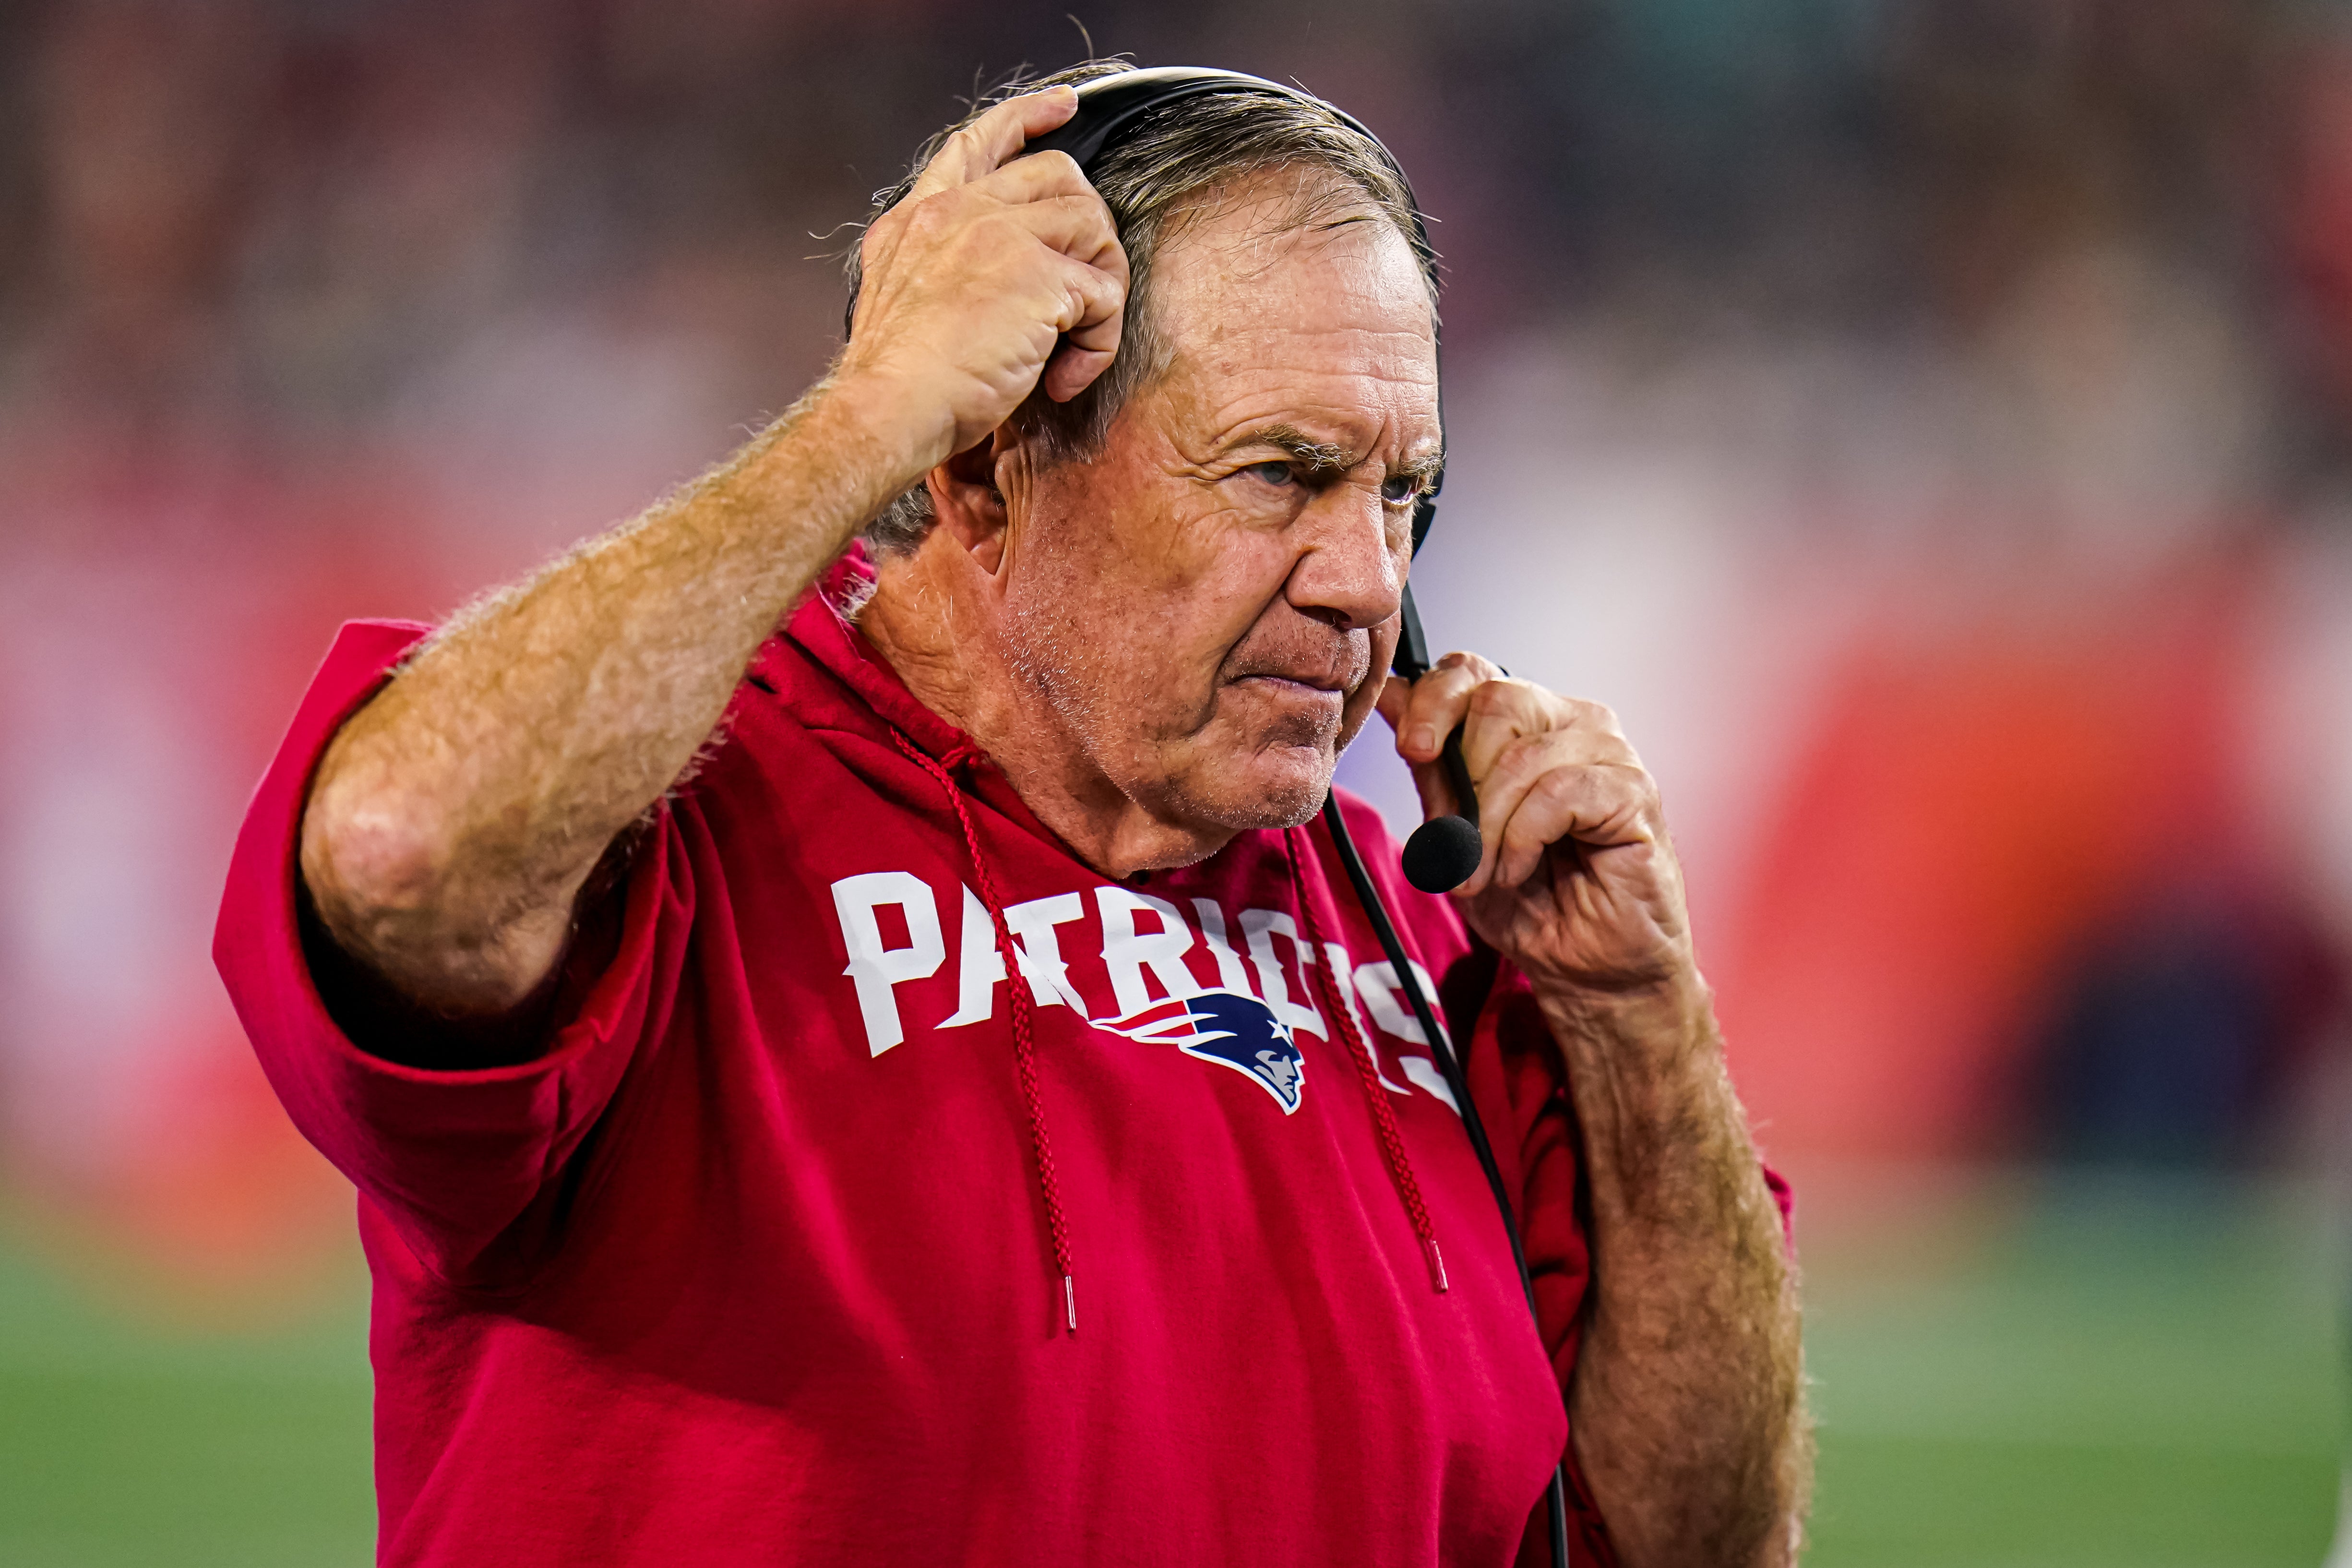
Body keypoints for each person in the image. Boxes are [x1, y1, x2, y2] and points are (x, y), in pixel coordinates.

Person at [216, 61, 1808, 1567]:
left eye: (1401, 493)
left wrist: (1639, 1016)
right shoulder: (681, 829)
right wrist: (865, 414)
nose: (1367, 583)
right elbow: (401, 852)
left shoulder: (1434, 934)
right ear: (988, 472)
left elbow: (1697, 1544)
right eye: (1281, 474)